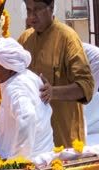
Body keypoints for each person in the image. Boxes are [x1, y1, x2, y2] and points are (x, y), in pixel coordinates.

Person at [18, 0, 94, 148]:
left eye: (37, 10)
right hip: (33, 143)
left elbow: (86, 86)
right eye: (28, 11)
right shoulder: (24, 40)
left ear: (51, 7)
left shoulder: (67, 38)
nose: (32, 17)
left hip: (63, 140)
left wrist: (53, 92)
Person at [0, 37, 53, 160]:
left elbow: (27, 117)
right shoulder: (27, 77)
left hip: (32, 164)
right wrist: (0, 132)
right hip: (43, 156)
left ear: (9, 68)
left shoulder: (15, 87)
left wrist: (17, 160)